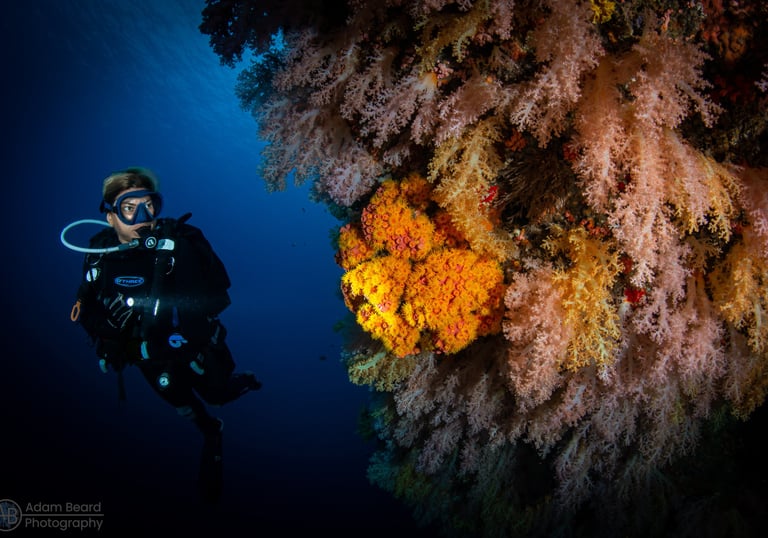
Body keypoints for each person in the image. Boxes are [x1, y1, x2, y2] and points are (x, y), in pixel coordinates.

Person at [70, 167, 261, 503]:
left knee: (217, 392)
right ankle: (210, 430)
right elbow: (83, 307)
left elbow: (219, 292)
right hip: (146, 355)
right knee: (181, 402)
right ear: (111, 217)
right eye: (130, 209)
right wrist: (109, 329)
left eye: (150, 205)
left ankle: (244, 382)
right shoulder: (99, 253)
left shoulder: (179, 241)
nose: (143, 216)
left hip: (192, 343)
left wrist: (182, 256)